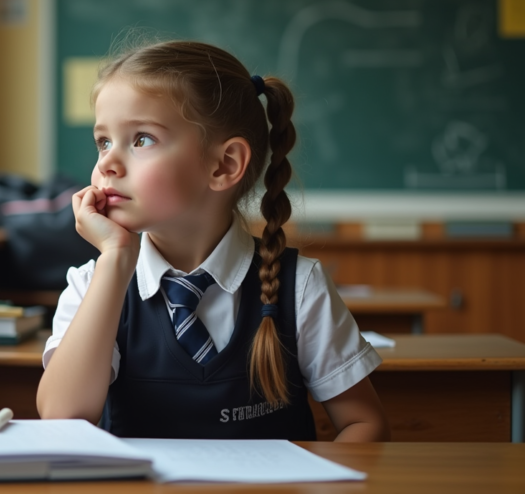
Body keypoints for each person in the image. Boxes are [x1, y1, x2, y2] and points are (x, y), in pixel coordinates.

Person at [36, 40, 390, 442]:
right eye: (103, 141)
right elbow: (63, 417)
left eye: (141, 139)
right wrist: (115, 259)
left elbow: (366, 424)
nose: (107, 164)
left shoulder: (299, 286)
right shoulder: (92, 284)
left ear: (224, 165)